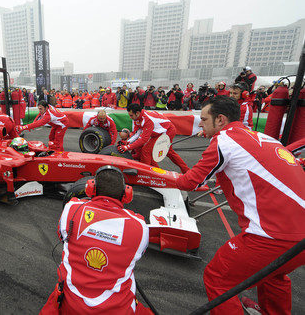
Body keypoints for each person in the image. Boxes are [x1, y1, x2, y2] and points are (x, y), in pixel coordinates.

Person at [175, 96, 305, 314]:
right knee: (273, 274)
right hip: (298, 236)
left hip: (271, 236)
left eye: (204, 119)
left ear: (220, 120)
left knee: (218, 277)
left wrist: (156, 174)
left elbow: (189, 181)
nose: (201, 124)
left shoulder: (224, 141)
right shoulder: (264, 137)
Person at [40, 165, 151, 314]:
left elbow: (62, 236)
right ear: (126, 194)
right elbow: (137, 255)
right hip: (117, 309)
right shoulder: (140, 226)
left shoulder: (71, 209)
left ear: (90, 188)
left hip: (70, 306)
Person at [118, 103, 190, 173]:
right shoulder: (137, 117)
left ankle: (145, 174)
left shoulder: (147, 119)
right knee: (163, 152)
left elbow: (143, 139)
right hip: (158, 132)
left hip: (167, 131)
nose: (130, 117)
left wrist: (127, 147)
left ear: (137, 113)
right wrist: (128, 142)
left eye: (131, 115)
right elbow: (136, 133)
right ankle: (159, 172)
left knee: (146, 151)